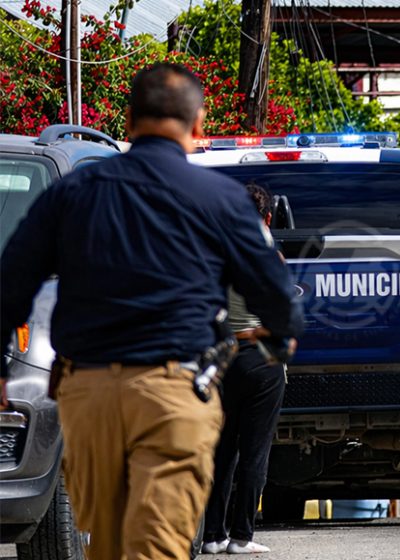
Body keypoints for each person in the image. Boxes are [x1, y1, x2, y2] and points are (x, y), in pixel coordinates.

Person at [0, 63, 303, 560]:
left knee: (109, 545)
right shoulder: (222, 199)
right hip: (173, 391)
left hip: (88, 395)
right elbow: (280, 301)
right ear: (198, 122)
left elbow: (11, 282)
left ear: (130, 119)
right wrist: (272, 344)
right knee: (158, 545)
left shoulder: (73, 192)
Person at [202, 183, 287, 555]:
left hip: (222, 360)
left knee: (221, 450)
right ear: (268, 216)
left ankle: (212, 535)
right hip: (261, 361)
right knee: (255, 452)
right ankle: (242, 536)